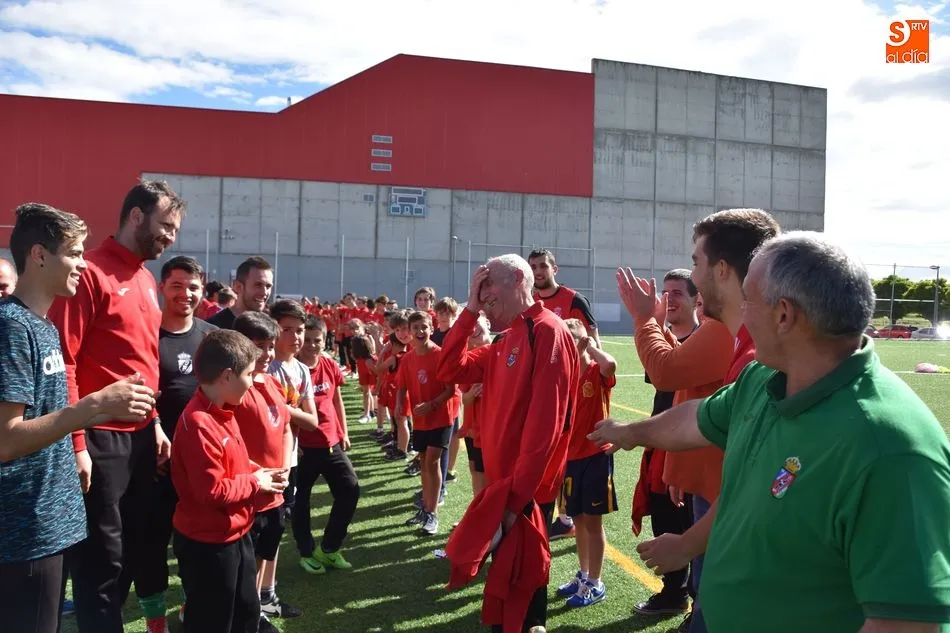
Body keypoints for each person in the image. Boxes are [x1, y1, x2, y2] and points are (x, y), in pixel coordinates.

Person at [592, 231, 950, 633]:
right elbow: (698, 419)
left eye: (748, 299)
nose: (740, 313)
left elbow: (905, 623)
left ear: (783, 315)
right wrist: (633, 432)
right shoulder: (763, 378)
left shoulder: (889, 449)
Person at [0, 203, 157, 633]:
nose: (83, 264)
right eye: (73, 253)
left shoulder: (43, 325)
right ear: (39, 255)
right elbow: (6, 440)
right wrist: (94, 406)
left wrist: (91, 424)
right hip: (24, 530)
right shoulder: (12, 328)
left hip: (50, 523)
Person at [47, 180, 183, 633]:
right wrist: (77, 444)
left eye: (175, 230)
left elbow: (142, 361)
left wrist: (155, 422)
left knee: (129, 555)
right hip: (99, 440)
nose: (170, 238)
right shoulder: (89, 272)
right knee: (100, 565)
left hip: (142, 439)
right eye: (166, 226)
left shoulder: (145, 278)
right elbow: (64, 362)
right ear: (136, 216)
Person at [438, 255, 579, 633]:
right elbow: (448, 369)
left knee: (523, 593)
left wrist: (516, 501)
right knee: (509, 590)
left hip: (525, 492)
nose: (482, 294)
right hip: (505, 488)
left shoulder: (546, 331)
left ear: (519, 279)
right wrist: (469, 310)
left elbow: (546, 426)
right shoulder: (506, 339)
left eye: (488, 284)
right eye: (478, 287)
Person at [171, 330, 288, 633]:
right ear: (226, 377)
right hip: (208, 545)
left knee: (246, 611)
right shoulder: (198, 423)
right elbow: (211, 490)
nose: (251, 381)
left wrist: (258, 470)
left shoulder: (224, 410)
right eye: (248, 374)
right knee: (213, 621)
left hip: (236, 534)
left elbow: (233, 461)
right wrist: (255, 481)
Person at [142, 256, 217, 631]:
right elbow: (137, 392)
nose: (185, 293)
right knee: (151, 545)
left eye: (193, 287)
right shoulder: (145, 333)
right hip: (155, 462)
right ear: (161, 287)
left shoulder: (211, 337)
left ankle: (191, 605)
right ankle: (156, 621)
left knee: (196, 544)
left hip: (200, 465)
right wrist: (152, 433)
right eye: (177, 285)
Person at [629, 269, 710, 617]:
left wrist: (646, 320)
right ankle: (675, 592)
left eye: (677, 293)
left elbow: (667, 373)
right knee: (664, 517)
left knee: (694, 526)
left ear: (696, 299)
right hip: (663, 445)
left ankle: (695, 602)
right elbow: (659, 376)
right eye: (665, 293)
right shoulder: (669, 340)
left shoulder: (706, 340)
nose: (668, 299)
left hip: (691, 447)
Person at [232, 312, 301, 632]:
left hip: (275, 492)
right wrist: (256, 473)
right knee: (241, 564)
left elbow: (285, 426)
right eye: (259, 346)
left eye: (271, 346)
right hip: (248, 493)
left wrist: (284, 466)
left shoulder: (272, 382)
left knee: (264, 553)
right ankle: (243, 617)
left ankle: (256, 609)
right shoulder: (234, 389)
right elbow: (225, 439)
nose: (267, 354)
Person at [528, 248, 598, 540]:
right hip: (538, 388)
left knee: (565, 451)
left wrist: (586, 370)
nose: (538, 271)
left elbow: (593, 340)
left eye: (543, 266)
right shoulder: (530, 301)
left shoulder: (573, 300)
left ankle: (565, 517)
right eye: (533, 267)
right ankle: (552, 514)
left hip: (570, 388)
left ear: (554, 269)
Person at [554, 318, 617, 609]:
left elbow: (611, 365)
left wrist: (590, 347)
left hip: (594, 457)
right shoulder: (563, 375)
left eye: (573, 339)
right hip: (570, 458)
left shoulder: (595, 371)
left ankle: (595, 581)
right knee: (577, 519)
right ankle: (583, 574)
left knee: (592, 521)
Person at [294, 315, 361, 573]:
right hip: (303, 450)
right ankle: (306, 552)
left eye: (317, 340)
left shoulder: (330, 364)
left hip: (331, 443)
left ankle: (329, 548)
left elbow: (336, 399)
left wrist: (343, 431)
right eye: (307, 340)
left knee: (350, 489)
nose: (312, 345)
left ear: (325, 340)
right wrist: (292, 442)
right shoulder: (291, 369)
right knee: (300, 502)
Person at [397, 311, 460, 535]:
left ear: (431, 329)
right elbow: (402, 386)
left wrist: (432, 405)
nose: (420, 331)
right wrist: (399, 406)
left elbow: (451, 389)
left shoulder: (440, 355)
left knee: (432, 461)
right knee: (424, 462)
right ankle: (426, 507)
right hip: (420, 420)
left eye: (424, 327)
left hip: (441, 417)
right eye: (415, 328)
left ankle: (433, 513)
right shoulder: (408, 359)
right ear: (410, 332)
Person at [207, 256, 274, 330]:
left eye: (268, 286)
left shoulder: (272, 326)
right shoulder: (213, 328)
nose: (264, 292)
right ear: (238, 286)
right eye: (258, 285)